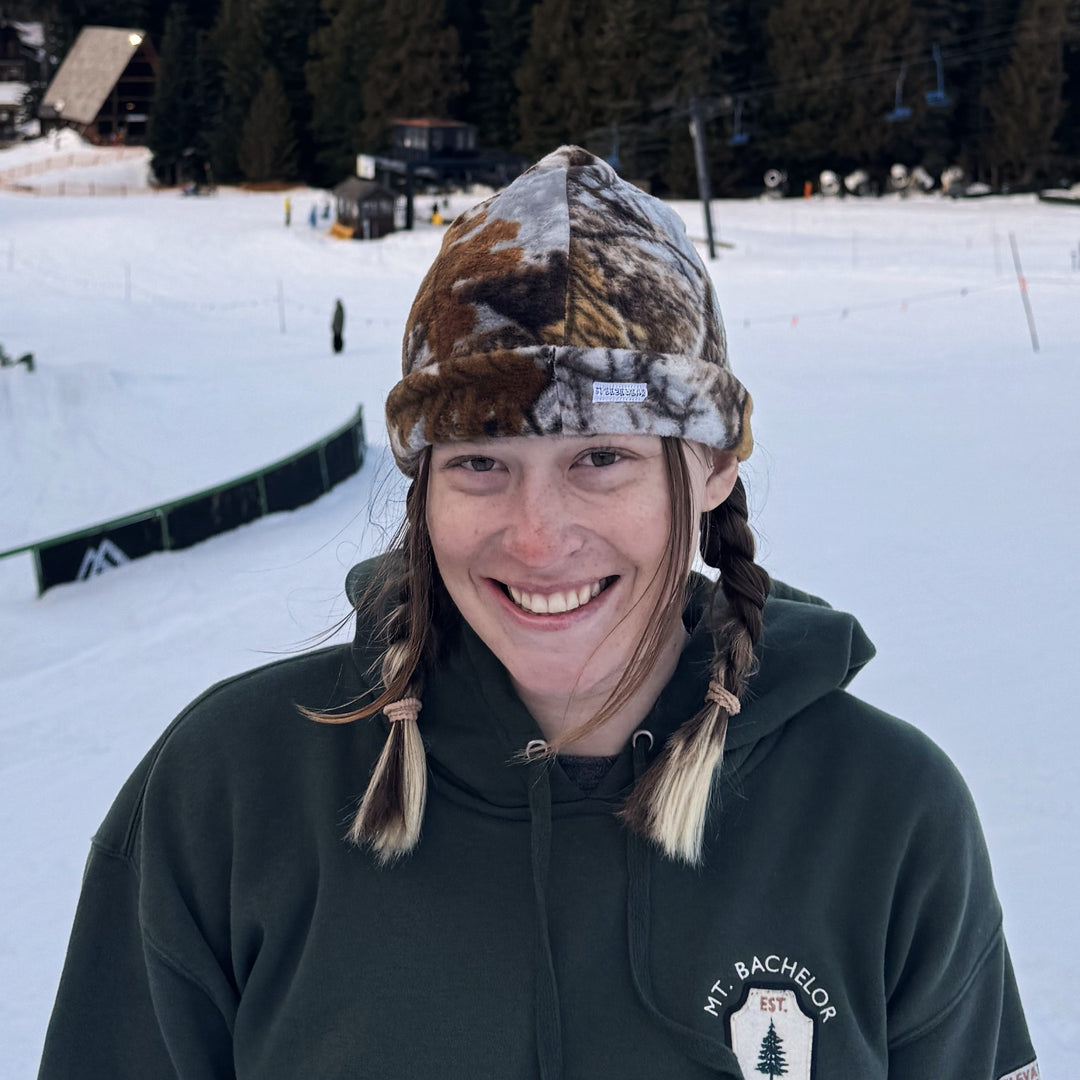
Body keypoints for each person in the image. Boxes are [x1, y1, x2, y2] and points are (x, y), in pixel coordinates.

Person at [38, 147, 1036, 1079]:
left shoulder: (885, 814)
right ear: (425, 483)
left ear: (717, 463)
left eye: (601, 459)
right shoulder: (233, 790)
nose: (536, 535)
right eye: (481, 464)